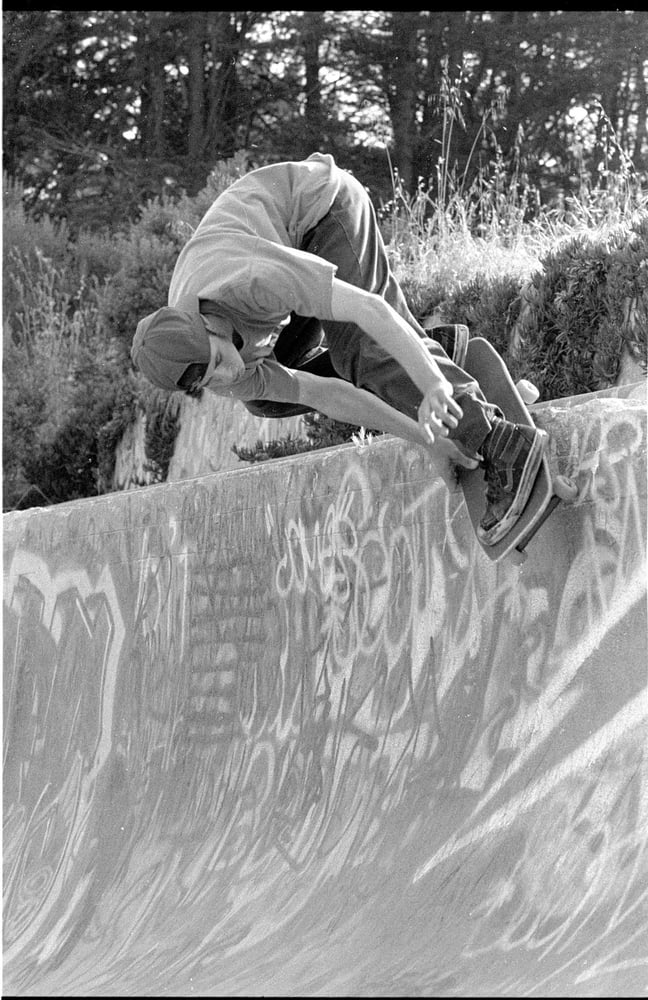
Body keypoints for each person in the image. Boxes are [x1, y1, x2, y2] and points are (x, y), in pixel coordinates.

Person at [131, 152, 545, 545]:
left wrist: (433, 384)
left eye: (220, 361)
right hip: (286, 262)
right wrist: (426, 440)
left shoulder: (251, 279)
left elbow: (371, 309)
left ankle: (503, 444)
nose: (227, 375)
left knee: (361, 352)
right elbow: (325, 394)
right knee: (267, 402)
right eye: (210, 380)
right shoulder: (205, 362)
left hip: (323, 211)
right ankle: (429, 353)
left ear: (208, 323)